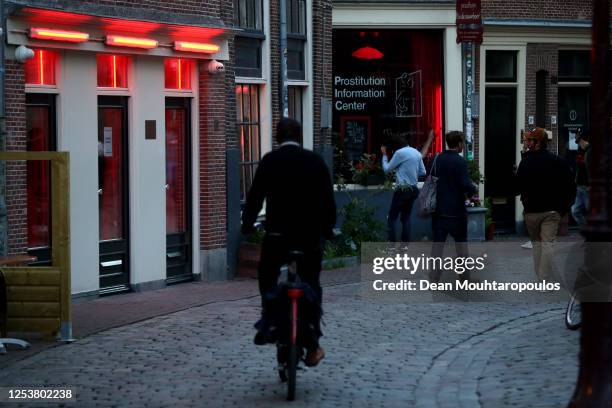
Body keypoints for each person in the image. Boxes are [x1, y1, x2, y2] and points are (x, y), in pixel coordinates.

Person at [241, 118, 336, 367]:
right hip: (308, 236)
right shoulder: (314, 161)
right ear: (300, 136)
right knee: (312, 284)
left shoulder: (270, 161)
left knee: (267, 277)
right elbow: (327, 198)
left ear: (277, 137)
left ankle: (269, 322)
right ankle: (313, 344)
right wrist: (328, 228)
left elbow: (255, 196)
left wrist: (247, 224)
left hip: (278, 236)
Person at [514, 127, 575, 282]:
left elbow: (517, 187)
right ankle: (543, 278)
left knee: (537, 245)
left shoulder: (526, 162)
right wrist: (564, 208)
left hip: (532, 211)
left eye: (529, 140)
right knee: (547, 244)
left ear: (537, 142)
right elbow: (570, 185)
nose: (526, 142)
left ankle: (541, 278)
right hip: (552, 211)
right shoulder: (558, 161)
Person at [429, 131, 478, 282]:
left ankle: (434, 278)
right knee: (461, 246)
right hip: (456, 212)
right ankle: (464, 278)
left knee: (437, 246)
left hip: (439, 211)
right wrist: (473, 188)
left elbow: (430, 180)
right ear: (459, 144)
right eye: (463, 142)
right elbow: (464, 184)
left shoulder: (436, 159)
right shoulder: (460, 162)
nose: (463, 145)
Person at [380, 133, 427, 242]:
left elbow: (387, 169)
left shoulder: (399, 153)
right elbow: (423, 172)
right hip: (413, 190)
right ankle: (405, 246)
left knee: (392, 217)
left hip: (402, 189)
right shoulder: (416, 152)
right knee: (406, 218)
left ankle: (391, 244)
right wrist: (411, 173)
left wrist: (384, 156)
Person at [571, 128, 591, 227]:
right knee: (575, 211)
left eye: (578, 136)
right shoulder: (580, 150)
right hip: (580, 185)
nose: (575, 137)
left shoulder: (590, 151)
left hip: (588, 187)